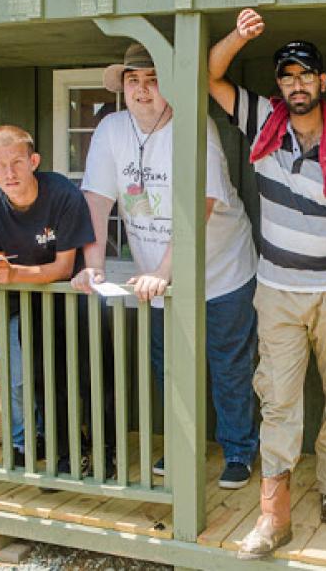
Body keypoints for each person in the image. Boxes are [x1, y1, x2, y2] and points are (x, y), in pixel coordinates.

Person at [209, 8, 326, 559]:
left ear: (322, 82)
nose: (296, 84)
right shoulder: (261, 121)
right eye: (287, 75)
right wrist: (237, 36)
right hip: (275, 290)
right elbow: (211, 74)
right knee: (278, 400)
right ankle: (273, 517)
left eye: (305, 75)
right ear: (279, 84)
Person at [71, 43, 259, 489]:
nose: (142, 89)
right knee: (169, 367)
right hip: (158, 278)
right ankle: (180, 445)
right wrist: (94, 265)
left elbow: (203, 204)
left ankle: (237, 451)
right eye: (133, 80)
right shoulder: (112, 130)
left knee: (228, 365)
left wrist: (165, 271)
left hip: (223, 271)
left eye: (152, 79)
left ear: (171, 84)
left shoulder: (196, 127)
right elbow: (96, 201)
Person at [0, 125, 98, 474]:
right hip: (19, 303)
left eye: (18, 162)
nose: (10, 172)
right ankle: (34, 446)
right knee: (27, 381)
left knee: (76, 378)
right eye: (1, 164)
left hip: (70, 300)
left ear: (34, 161)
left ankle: (83, 450)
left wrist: (12, 273)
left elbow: (63, 266)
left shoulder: (61, 193)